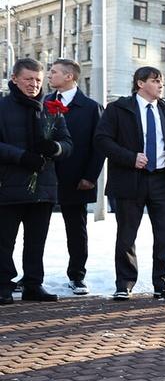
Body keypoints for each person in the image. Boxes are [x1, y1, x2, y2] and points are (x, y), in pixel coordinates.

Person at [95, 66, 165, 301]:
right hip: (130, 179)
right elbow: (101, 140)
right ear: (140, 83)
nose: (161, 85)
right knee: (127, 234)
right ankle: (124, 284)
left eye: (162, 81)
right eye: (156, 80)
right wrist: (130, 158)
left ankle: (163, 284)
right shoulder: (118, 109)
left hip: (162, 180)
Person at [0, 59, 72, 303]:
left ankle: (33, 284)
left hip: (43, 186)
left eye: (38, 80)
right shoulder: (2, 107)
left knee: (36, 241)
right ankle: (3, 285)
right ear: (15, 79)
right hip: (8, 185)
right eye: (28, 79)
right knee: (4, 241)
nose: (34, 84)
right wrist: (22, 157)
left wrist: (55, 147)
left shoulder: (52, 108)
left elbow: (68, 144)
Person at [45, 58, 103, 295]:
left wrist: (90, 176)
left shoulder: (90, 107)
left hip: (76, 179)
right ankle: (31, 276)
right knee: (34, 228)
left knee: (76, 230)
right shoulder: (44, 102)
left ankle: (77, 276)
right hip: (44, 177)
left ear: (69, 76)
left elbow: (98, 146)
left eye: (54, 72)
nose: (49, 75)